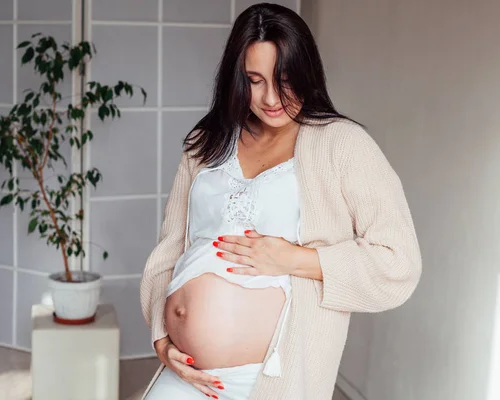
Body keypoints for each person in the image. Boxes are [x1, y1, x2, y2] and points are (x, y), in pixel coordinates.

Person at [139, 3, 422, 400]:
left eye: (285, 79)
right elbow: (169, 250)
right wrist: (161, 338)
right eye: (255, 80)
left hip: (272, 381)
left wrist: (294, 259)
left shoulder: (342, 145)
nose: (271, 98)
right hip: (187, 377)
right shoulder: (206, 143)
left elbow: (399, 263)